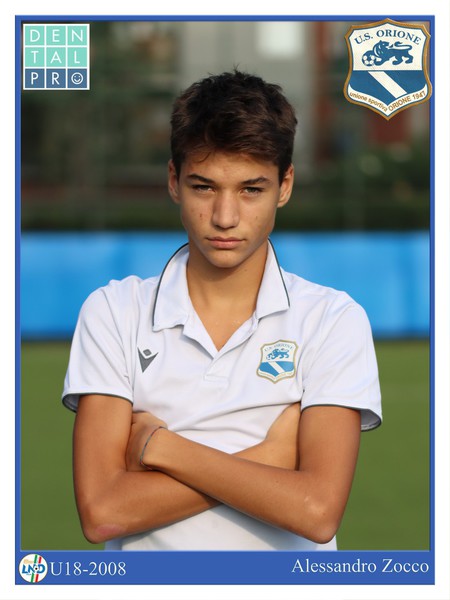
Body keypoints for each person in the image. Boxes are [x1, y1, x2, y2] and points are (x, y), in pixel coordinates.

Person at [62, 69, 382, 551]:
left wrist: (162, 448)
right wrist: (271, 457)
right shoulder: (113, 311)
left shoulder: (333, 319)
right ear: (174, 181)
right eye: (204, 187)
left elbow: (317, 512)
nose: (225, 217)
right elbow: (103, 513)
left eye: (251, 189)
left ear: (285, 185)